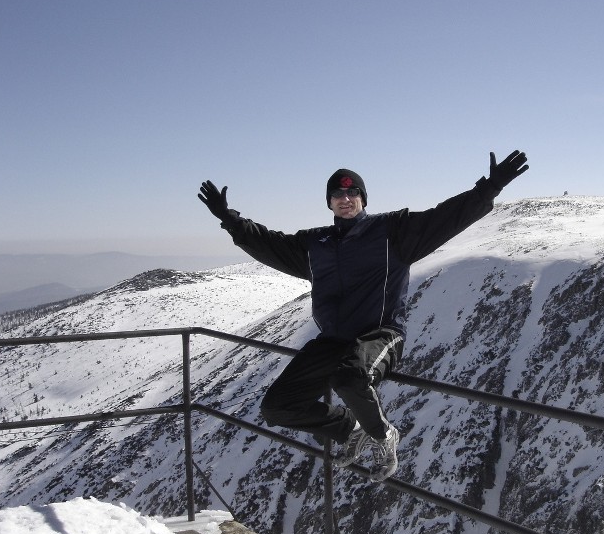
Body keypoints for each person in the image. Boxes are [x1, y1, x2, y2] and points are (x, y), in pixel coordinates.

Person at [198, 150, 529, 481]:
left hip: (379, 334)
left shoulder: (392, 232)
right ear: (329, 202)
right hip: (332, 340)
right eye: (338, 194)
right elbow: (268, 243)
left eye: (353, 192)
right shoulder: (314, 245)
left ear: (363, 198)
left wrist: (490, 187)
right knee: (277, 406)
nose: (346, 198)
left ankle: (384, 436)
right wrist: (228, 218)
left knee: (350, 379)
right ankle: (350, 428)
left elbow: (444, 217)